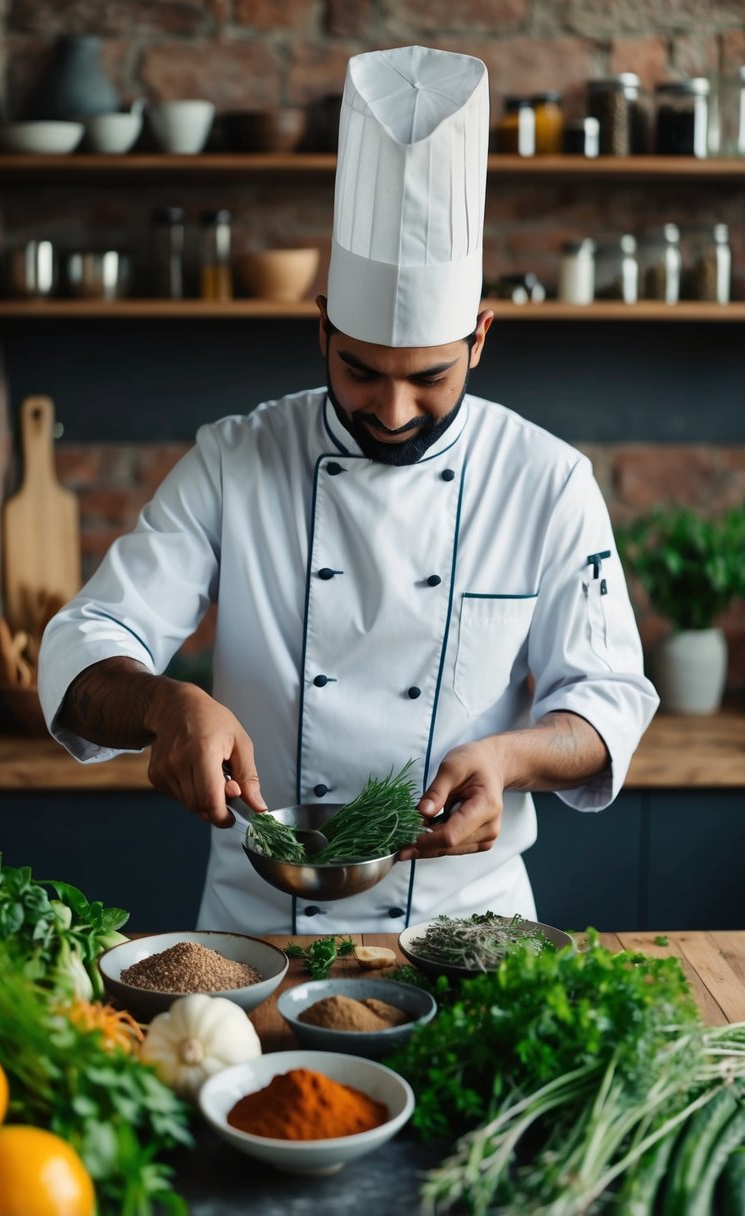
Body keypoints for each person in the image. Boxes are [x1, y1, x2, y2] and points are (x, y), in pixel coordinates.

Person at [39, 46, 658, 935]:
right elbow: (84, 642)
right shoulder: (234, 460)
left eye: (432, 378)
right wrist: (163, 701)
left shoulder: (546, 481)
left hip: (467, 929)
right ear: (321, 326)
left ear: (480, 338)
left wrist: (513, 757)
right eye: (361, 372)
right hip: (252, 939)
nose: (395, 411)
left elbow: (608, 699)